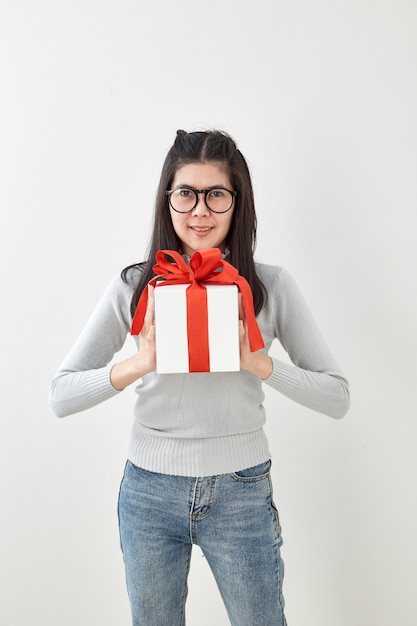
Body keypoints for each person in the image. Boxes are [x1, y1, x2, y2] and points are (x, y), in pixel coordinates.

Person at [49, 129, 350, 626]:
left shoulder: (268, 287)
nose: (201, 210)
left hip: (242, 491)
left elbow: (337, 397)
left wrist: (259, 363)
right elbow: (61, 394)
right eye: (186, 193)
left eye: (217, 194)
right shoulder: (135, 286)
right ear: (168, 200)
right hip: (147, 492)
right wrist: (139, 364)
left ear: (238, 203)